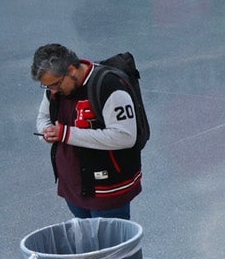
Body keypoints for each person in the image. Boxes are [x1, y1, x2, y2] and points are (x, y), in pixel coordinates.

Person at [31, 42, 144, 222]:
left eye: (55, 84)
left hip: (107, 190)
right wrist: (47, 130)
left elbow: (125, 136)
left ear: (71, 70)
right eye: (47, 87)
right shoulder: (55, 88)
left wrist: (66, 134)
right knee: (87, 238)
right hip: (73, 187)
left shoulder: (109, 85)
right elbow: (43, 117)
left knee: (110, 239)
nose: (53, 91)